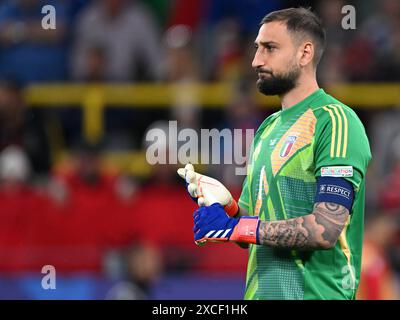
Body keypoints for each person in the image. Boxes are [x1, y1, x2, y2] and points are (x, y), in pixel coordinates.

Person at [178, 7, 371, 300]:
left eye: (270, 48)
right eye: (257, 49)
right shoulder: (267, 129)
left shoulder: (335, 122)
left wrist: (235, 227)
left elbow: (324, 229)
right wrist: (228, 205)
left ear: (305, 54)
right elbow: (254, 227)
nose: (256, 60)